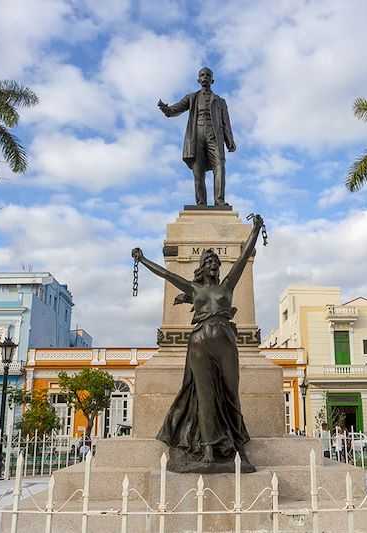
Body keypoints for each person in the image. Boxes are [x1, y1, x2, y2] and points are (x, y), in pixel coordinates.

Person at [131, 214, 263, 473]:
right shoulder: (194, 289)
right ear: (202, 267)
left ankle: (239, 447)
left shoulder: (227, 285)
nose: (213, 264)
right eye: (209, 261)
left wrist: (256, 229)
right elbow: (166, 274)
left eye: (215, 261)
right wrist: (143, 259)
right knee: (204, 397)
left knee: (231, 394)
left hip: (225, 341)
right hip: (200, 342)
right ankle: (207, 450)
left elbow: (242, 257)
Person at [158, 67, 236, 206]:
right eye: (202, 75)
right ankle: (201, 203)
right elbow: (177, 108)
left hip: (214, 136)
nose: (205, 77)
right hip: (196, 135)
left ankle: (219, 201)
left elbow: (226, 123)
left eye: (208, 75)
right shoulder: (192, 97)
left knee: (220, 166)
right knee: (198, 170)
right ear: (198, 79)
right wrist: (166, 109)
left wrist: (229, 140)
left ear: (212, 80)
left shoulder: (220, 101)